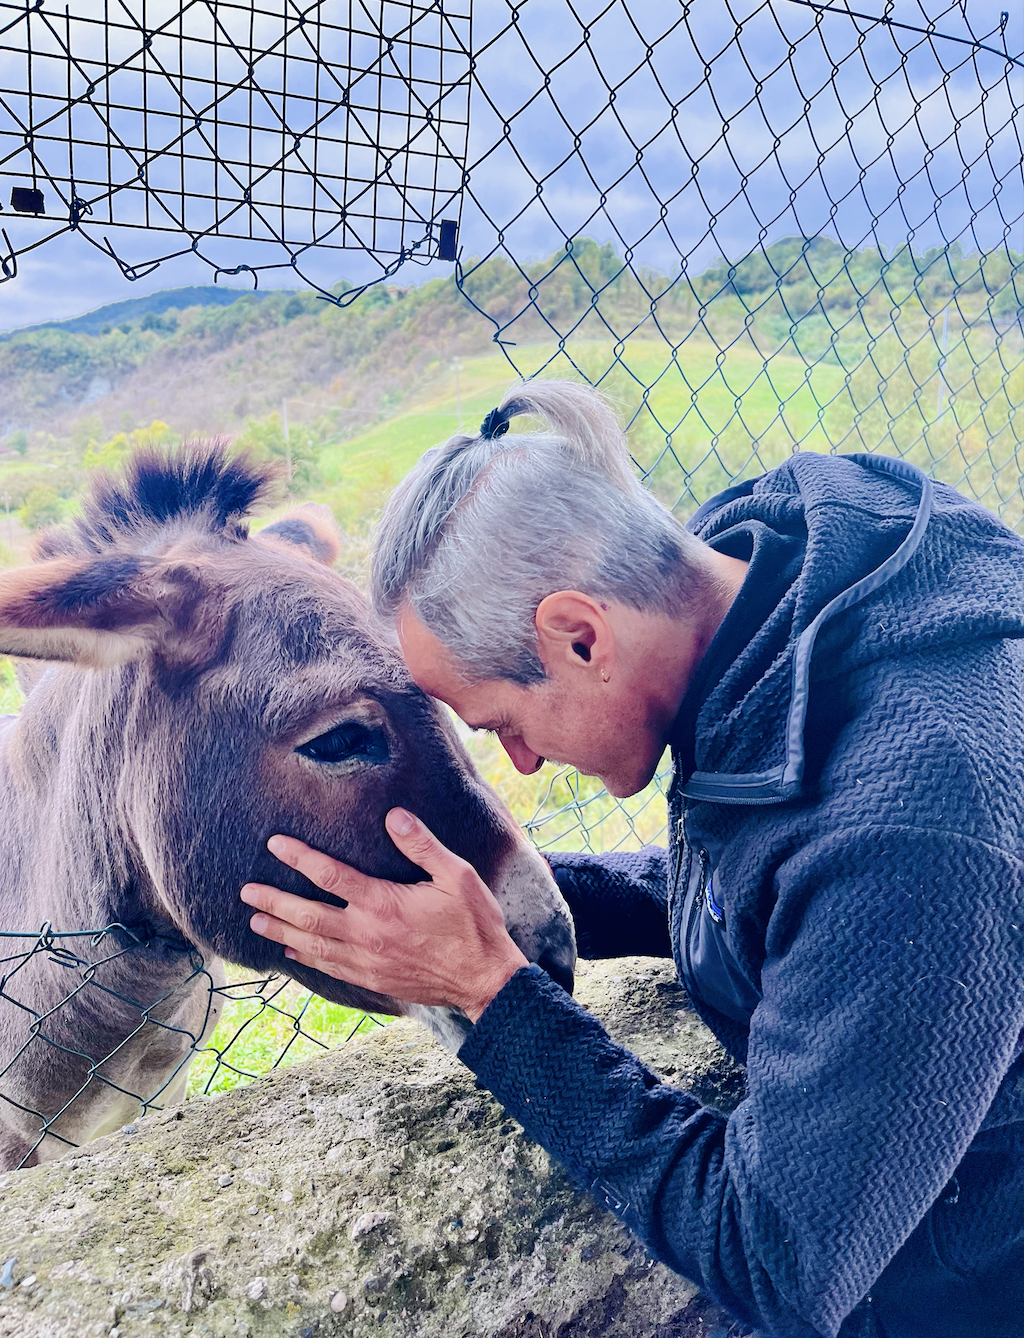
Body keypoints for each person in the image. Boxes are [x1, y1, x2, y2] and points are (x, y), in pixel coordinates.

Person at [239, 380, 1024, 1338]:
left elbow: (775, 1260)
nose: (518, 760)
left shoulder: (902, 833)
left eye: (501, 723)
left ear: (580, 635)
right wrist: (513, 905)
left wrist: (494, 999)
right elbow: (781, 893)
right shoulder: (772, 600)